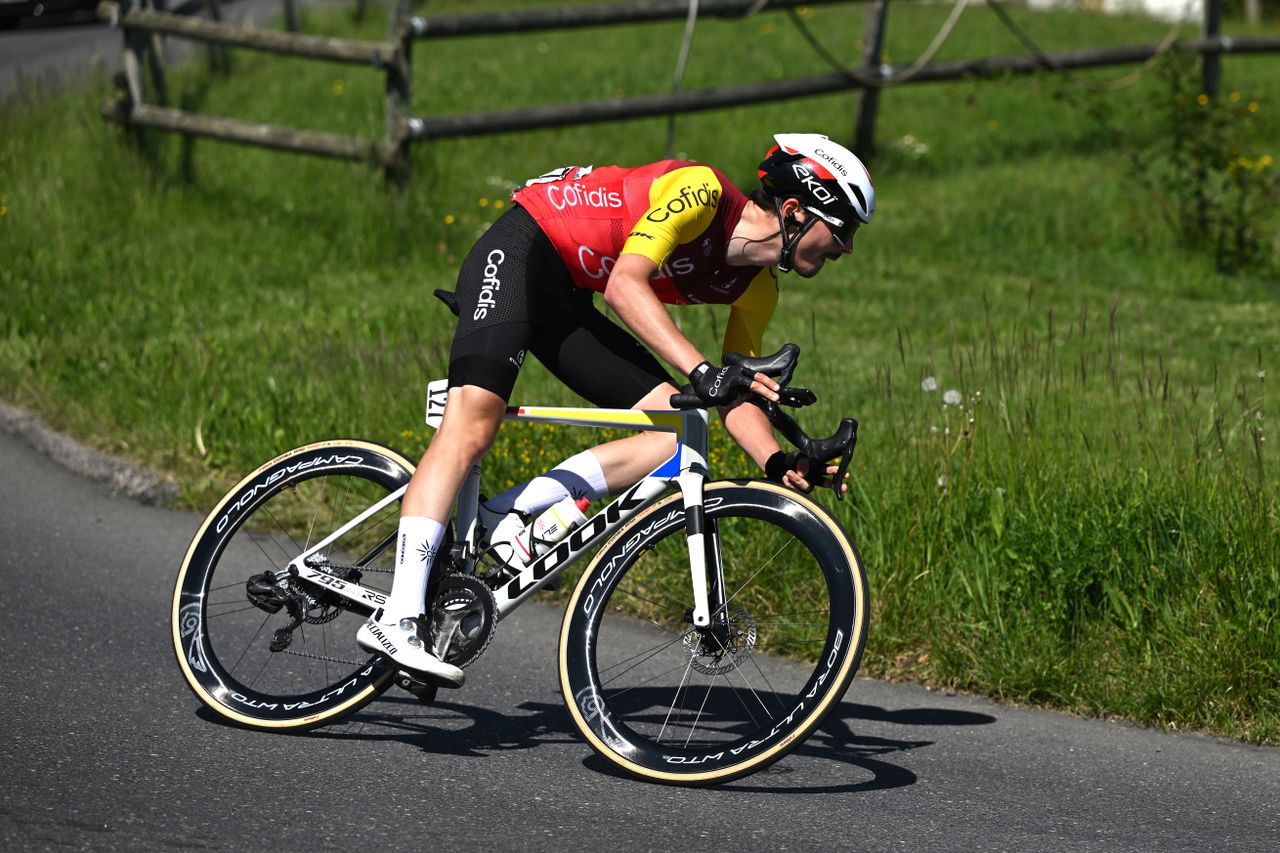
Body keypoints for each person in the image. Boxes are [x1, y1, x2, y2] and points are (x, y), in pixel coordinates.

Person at [356, 133, 876, 686]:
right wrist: (703, 372)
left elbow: (732, 395)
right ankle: (399, 615)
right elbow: (625, 288)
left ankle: (504, 520)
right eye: (841, 231)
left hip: (566, 300)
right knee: (474, 421)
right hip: (522, 250)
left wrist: (779, 462)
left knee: (675, 435)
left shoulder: (758, 289)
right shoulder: (700, 192)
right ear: (795, 210)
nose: (846, 249)